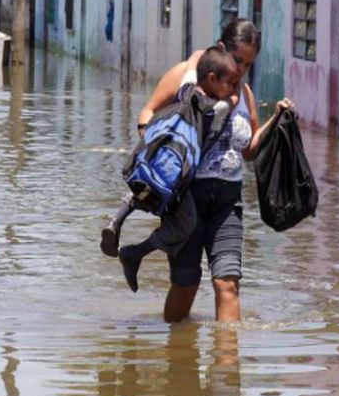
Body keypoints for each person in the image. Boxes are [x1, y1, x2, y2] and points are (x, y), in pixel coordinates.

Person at [110, 18, 294, 322]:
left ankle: (226, 353)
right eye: (237, 60)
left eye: (248, 65)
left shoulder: (244, 95)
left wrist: (276, 118)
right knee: (186, 286)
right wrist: (155, 150)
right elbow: (148, 111)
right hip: (187, 197)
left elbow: (249, 151)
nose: (241, 70)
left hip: (227, 201)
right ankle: (176, 348)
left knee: (228, 284)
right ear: (221, 49)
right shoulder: (187, 78)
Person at [113, 46, 239, 292]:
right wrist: (238, 86)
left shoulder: (185, 90)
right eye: (229, 83)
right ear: (212, 79)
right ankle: (136, 252)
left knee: (152, 190)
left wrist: (201, 54)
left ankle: (117, 218)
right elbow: (234, 100)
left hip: (162, 162)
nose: (232, 88)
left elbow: (192, 63)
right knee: (185, 224)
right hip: (181, 178)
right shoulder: (215, 109)